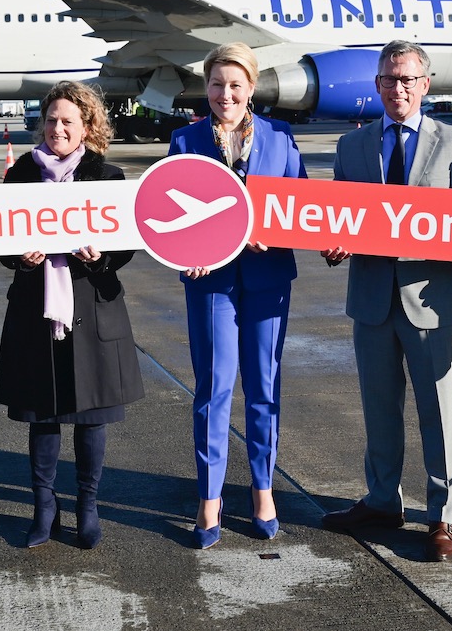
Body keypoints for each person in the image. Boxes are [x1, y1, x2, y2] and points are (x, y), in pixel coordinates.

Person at [319, 41, 452, 563]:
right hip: (372, 299)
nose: (398, 88)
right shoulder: (352, 148)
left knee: (439, 412)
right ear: (376, 86)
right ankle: (381, 501)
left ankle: (443, 516)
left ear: (425, 85)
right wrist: (335, 245)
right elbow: (338, 220)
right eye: (389, 79)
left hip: (434, 299)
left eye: (408, 79)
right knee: (379, 409)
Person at [0, 81, 145, 550]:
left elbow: (125, 249)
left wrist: (99, 259)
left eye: (68, 122)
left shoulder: (108, 177)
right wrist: (20, 257)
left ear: (87, 128)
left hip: (92, 307)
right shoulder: (19, 176)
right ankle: (44, 508)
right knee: (42, 415)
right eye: (51, 120)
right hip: (35, 309)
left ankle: (87, 506)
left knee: (90, 417)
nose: (57, 129)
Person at [168, 42, 307, 548]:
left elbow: (303, 209)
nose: (225, 94)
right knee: (213, 389)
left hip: (267, 277)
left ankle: (263, 488)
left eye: (235, 85)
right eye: (215, 84)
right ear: (204, 88)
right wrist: (188, 250)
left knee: (264, 386)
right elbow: (169, 217)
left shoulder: (281, 138)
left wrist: (281, 232)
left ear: (251, 89)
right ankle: (210, 497)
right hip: (211, 282)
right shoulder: (184, 141)